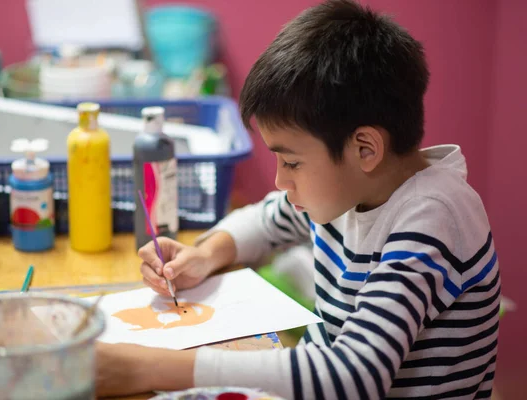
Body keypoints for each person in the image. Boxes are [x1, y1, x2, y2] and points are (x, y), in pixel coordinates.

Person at [96, 0, 499, 398]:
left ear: (364, 149)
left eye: (291, 161)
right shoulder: (351, 190)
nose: (279, 179)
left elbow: (353, 376)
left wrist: (149, 367)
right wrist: (205, 254)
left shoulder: (431, 219)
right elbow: (268, 219)